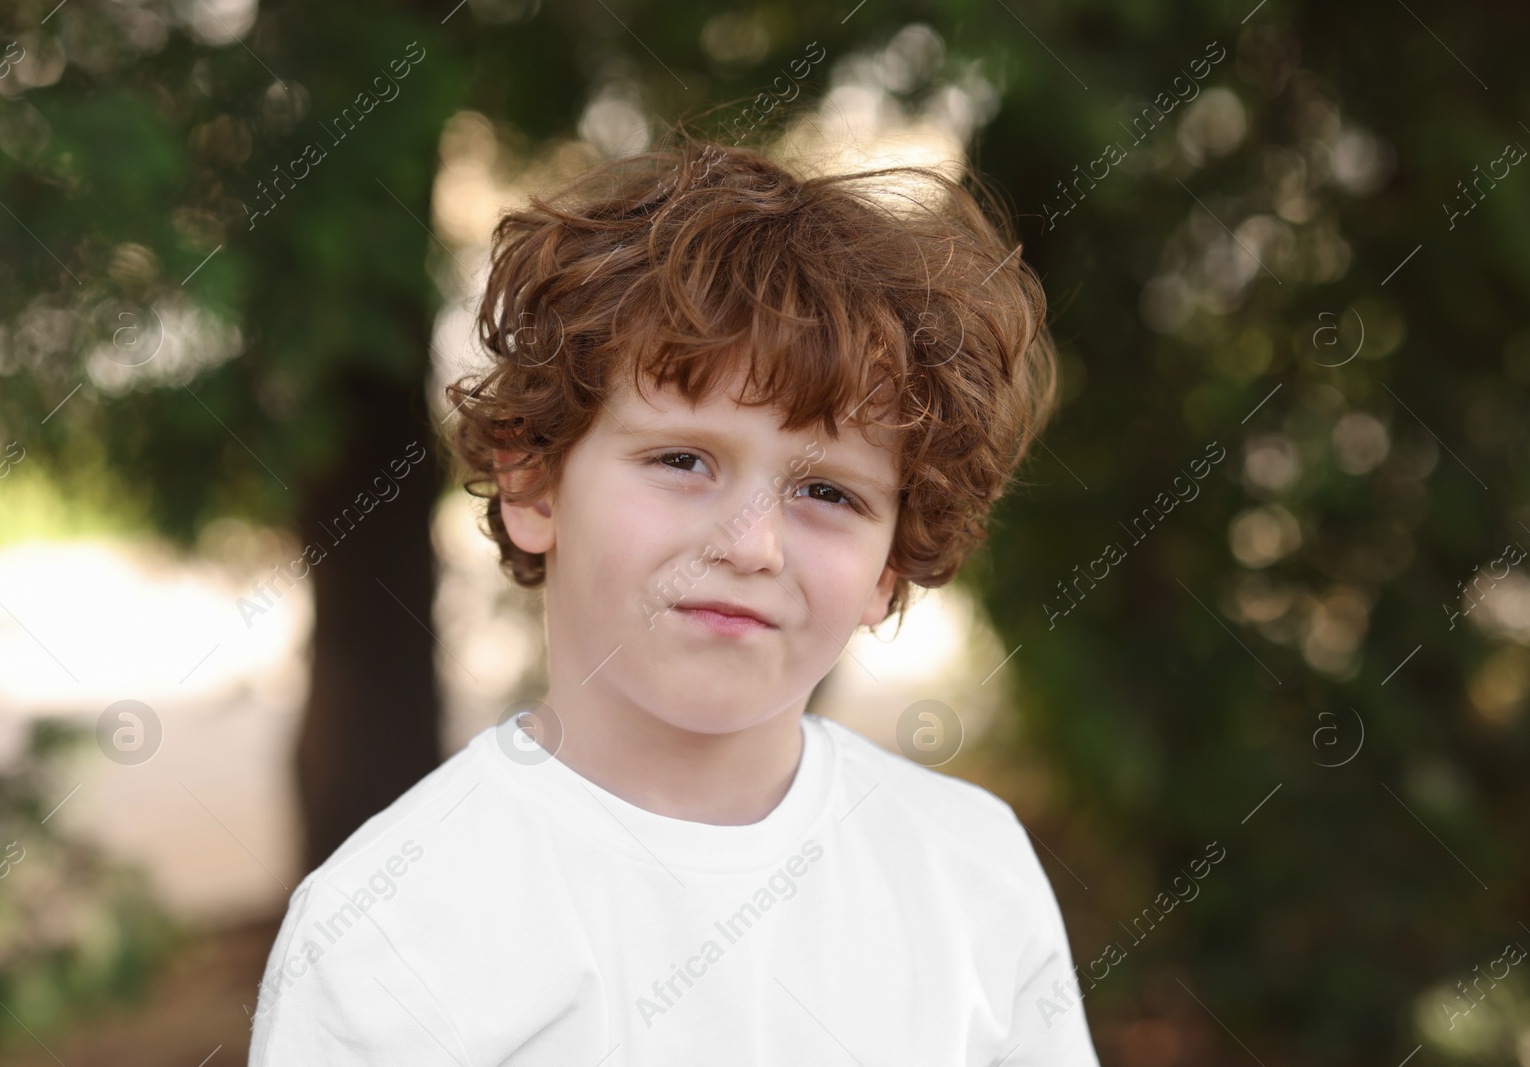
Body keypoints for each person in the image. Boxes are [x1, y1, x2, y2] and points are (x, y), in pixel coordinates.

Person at [247, 130, 1100, 1066]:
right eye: (682, 460)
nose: (752, 545)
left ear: (891, 563)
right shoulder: (387, 929)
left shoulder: (971, 874)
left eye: (829, 493)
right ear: (534, 483)